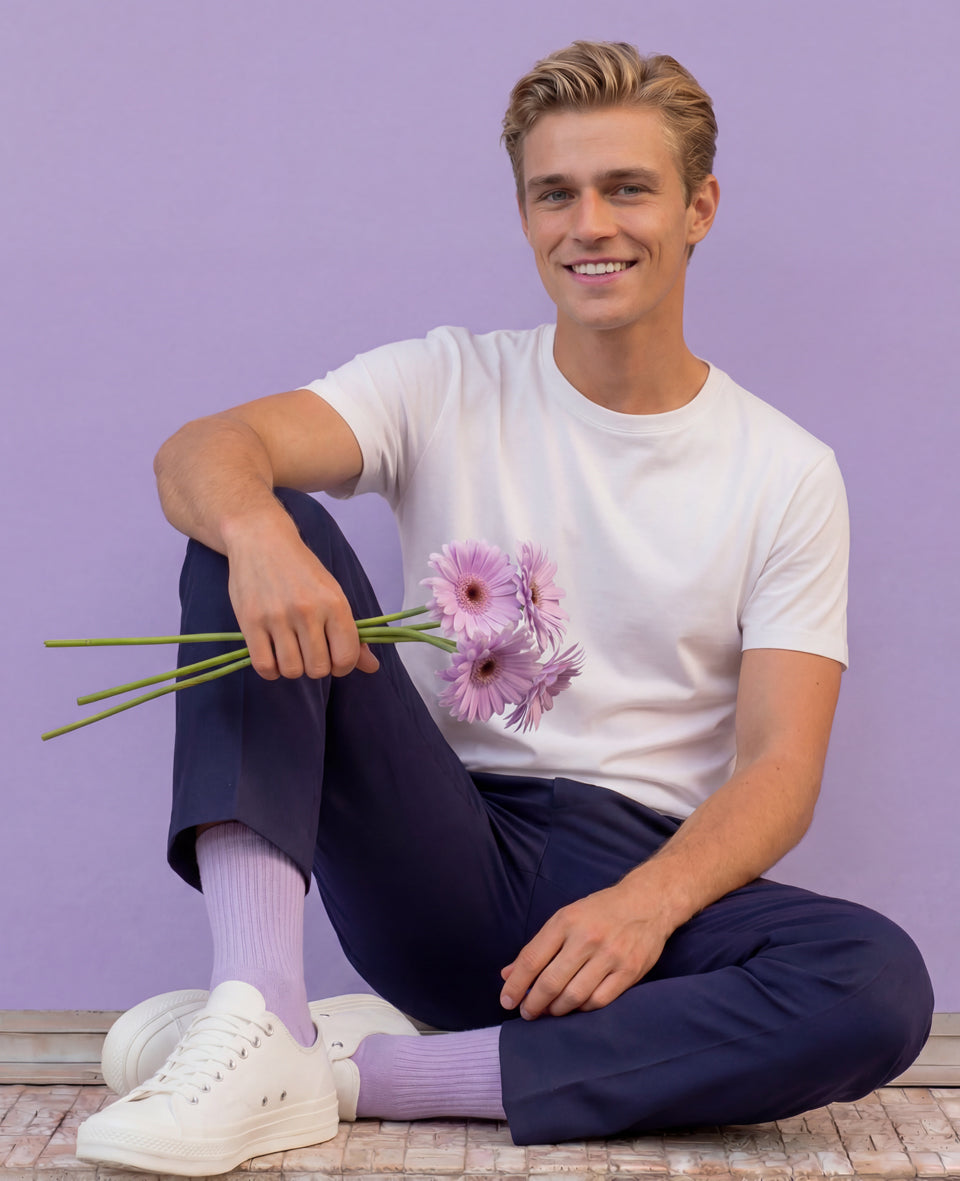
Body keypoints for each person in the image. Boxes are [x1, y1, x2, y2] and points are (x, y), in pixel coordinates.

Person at [76, 40, 933, 1176]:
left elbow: (781, 767)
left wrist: (645, 904)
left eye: (627, 188)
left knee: (876, 983)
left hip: (644, 878)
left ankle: (344, 1071)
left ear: (699, 208)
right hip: (443, 839)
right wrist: (257, 533)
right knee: (253, 517)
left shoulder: (785, 470)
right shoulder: (444, 383)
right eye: (555, 193)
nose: (591, 225)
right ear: (525, 213)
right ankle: (257, 1001)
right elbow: (203, 449)